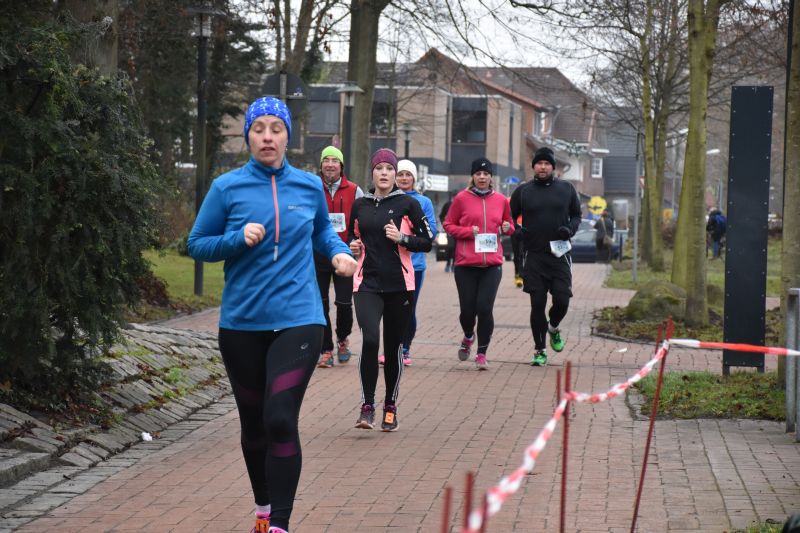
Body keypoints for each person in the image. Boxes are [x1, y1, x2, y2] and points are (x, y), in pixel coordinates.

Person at [187, 97, 357, 533]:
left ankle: (279, 524)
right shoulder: (227, 188)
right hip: (242, 323)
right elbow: (197, 244)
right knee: (254, 425)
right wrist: (235, 238)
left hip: (300, 318)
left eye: (276, 129)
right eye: (259, 128)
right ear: (248, 136)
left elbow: (322, 230)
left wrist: (338, 253)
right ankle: (263, 508)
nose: (267, 136)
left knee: (279, 417)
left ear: (287, 136)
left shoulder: (307, 186)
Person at [348, 148, 433, 431]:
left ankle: (390, 406)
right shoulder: (360, 205)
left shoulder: (408, 204)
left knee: (393, 345)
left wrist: (402, 238)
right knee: (371, 340)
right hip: (366, 283)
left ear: (395, 174)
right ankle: (367, 406)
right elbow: (351, 237)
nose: (384, 173)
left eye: (389, 169)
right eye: (379, 168)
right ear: (372, 172)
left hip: (400, 285)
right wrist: (352, 246)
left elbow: (427, 241)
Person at [510, 147, 581, 367]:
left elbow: (577, 215)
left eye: (547, 164)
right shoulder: (523, 191)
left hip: (560, 254)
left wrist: (569, 229)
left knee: (562, 299)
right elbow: (509, 218)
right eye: (539, 163)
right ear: (534, 167)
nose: (543, 167)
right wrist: (516, 230)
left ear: (553, 167)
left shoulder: (566, 189)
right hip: (534, 255)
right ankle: (539, 350)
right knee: (537, 304)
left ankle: (553, 327)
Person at [443, 157, 515, 370]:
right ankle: (468, 336)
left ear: (491, 177)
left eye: (486, 174)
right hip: (466, 264)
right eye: (478, 174)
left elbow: (510, 225)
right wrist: (467, 232)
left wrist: (507, 228)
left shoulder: (501, 200)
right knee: (467, 311)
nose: (482, 177)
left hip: (491, 265)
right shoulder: (461, 199)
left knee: (484, 308)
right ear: (472, 176)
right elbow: (448, 224)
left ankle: (482, 353)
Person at [314, 145, 364, 368]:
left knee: (343, 303)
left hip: (345, 254)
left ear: (341, 166)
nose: (330, 164)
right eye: (326, 160)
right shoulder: (313, 188)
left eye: (335, 161)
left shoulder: (354, 190)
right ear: (321, 165)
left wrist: (357, 241)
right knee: (320, 303)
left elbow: (362, 221)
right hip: (317, 254)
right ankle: (326, 349)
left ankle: (342, 339)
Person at [395, 159, 438, 366]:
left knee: (408, 308)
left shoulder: (424, 202)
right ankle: (391, 347)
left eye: (408, 175)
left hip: (414, 264)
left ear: (414, 178)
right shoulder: (387, 198)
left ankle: (405, 348)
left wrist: (411, 225)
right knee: (391, 309)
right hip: (390, 262)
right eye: (400, 174)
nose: (404, 178)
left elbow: (431, 232)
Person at [439, 197, 455, 272]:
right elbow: (441, 216)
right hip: (449, 229)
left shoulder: (462, 204)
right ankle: (448, 263)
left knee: (456, 248)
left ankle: (454, 265)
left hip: (459, 229)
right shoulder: (447, 204)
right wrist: (444, 224)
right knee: (450, 247)